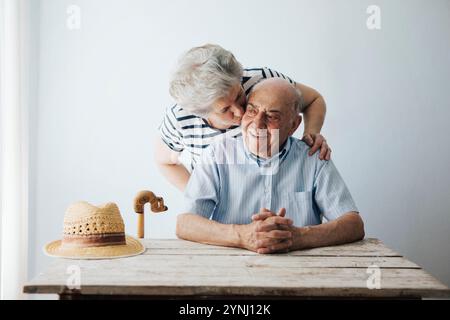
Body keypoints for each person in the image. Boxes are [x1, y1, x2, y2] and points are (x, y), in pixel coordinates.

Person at [176, 78, 364, 254]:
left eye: (272, 116)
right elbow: (185, 224)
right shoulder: (217, 154)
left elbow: (354, 225)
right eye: (251, 110)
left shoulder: (312, 157)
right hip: (231, 271)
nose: (257, 124)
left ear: (294, 125)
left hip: (302, 271)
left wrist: (297, 236)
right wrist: (243, 236)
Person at [155, 44, 331, 191]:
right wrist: (198, 194)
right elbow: (165, 163)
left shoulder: (262, 81)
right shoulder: (180, 119)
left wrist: (311, 135)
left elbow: (313, 100)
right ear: (201, 112)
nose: (240, 112)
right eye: (225, 109)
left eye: (239, 95)